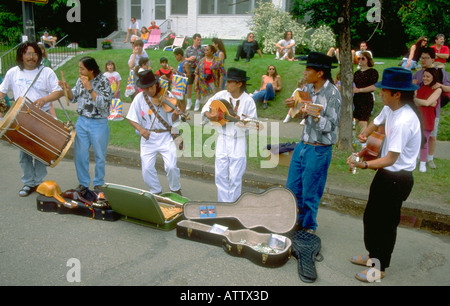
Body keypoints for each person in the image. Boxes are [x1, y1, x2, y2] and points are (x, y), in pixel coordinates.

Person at [347, 67, 423, 282]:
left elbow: (391, 159)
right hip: (386, 174)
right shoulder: (391, 109)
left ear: (396, 93)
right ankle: (372, 257)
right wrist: (365, 133)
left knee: (385, 224)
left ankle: (379, 268)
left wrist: (362, 164)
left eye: (383, 90)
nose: (379, 93)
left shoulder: (404, 120)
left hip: (397, 178)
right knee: (372, 217)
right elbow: (377, 122)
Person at [284, 52, 341, 233]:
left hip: (319, 149)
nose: (305, 72)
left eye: (309, 69)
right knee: (292, 188)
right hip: (303, 145)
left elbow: (331, 127)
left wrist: (316, 116)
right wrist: (293, 106)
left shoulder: (333, 94)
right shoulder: (307, 89)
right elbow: (299, 113)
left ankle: (308, 227)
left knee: (310, 192)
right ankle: (295, 222)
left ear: (320, 73)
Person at [0, 41, 64, 197]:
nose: (31, 57)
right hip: (20, 119)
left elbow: (59, 91)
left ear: (39, 55)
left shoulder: (46, 71)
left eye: (34, 53)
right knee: (24, 155)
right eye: (27, 53)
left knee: (42, 152)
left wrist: (44, 99)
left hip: (42, 116)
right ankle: (28, 183)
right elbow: (2, 93)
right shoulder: (13, 72)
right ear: (21, 55)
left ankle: (39, 182)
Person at [201, 68, 258, 202]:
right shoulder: (221, 96)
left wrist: (244, 123)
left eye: (230, 82)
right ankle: (223, 205)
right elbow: (206, 108)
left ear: (239, 84)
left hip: (238, 140)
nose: (226, 85)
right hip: (222, 138)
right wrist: (209, 115)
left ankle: (233, 207)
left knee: (235, 177)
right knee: (220, 175)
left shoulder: (248, 101)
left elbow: (254, 124)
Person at [58, 57, 112, 194]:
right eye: (79, 68)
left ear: (91, 70)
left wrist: (90, 89)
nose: (79, 71)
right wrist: (68, 90)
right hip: (82, 121)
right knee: (80, 155)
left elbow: (103, 104)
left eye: (82, 68)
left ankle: (99, 183)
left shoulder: (104, 82)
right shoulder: (80, 80)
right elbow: (73, 98)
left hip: (99, 122)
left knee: (100, 155)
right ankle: (83, 183)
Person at [126, 70, 182, 195]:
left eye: (151, 87)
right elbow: (130, 117)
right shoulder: (139, 98)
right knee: (146, 168)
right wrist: (141, 129)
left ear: (156, 84)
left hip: (165, 136)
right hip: (148, 137)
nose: (149, 90)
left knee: (171, 166)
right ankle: (156, 192)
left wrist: (175, 115)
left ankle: (176, 189)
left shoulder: (167, 95)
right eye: (145, 88)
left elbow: (172, 121)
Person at [413, 47, 450, 169]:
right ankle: (418, 157)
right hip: (419, 111)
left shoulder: (440, 73)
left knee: (432, 136)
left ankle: (430, 158)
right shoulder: (418, 74)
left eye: (426, 58)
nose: (423, 60)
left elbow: (448, 88)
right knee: (418, 135)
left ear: (433, 59)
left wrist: (440, 86)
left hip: (434, 110)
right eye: (421, 58)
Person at [414, 68, 441, 172]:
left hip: (428, 118)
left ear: (433, 77)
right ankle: (415, 160)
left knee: (424, 142)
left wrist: (421, 102)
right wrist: (424, 102)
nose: (425, 78)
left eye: (428, 76)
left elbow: (426, 102)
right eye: (424, 76)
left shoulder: (437, 89)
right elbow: (423, 102)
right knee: (415, 140)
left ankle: (423, 163)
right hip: (418, 117)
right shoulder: (419, 87)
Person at [352, 51, 379, 135]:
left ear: (368, 60)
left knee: (363, 122)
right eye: (359, 58)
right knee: (355, 120)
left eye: (363, 58)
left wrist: (359, 90)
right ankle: (355, 140)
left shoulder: (373, 72)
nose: (360, 60)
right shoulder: (356, 73)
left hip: (366, 99)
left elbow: (374, 87)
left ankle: (363, 139)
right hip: (356, 99)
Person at [194, 45, 225, 111]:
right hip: (203, 85)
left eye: (207, 50)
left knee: (212, 104)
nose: (205, 51)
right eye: (205, 50)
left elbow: (222, 74)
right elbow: (197, 73)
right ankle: (201, 119)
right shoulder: (201, 61)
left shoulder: (218, 61)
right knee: (203, 103)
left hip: (213, 84)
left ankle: (211, 119)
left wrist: (220, 87)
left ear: (212, 52)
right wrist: (196, 85)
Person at [184, 33, 205, 111]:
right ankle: (189, 102)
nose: (199, 41)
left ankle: (197, 102)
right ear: (194, 40)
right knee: (189, 85)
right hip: (190, 69)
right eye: (197, 40)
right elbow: (184, 58)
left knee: (198, 87)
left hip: (199, 70)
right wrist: (190, 59)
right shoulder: (188, 49)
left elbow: (205, 59)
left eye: (200, 40)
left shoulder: (203, 49)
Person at [37, 42, 57, 119]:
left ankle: (54, 117)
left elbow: (49, 70)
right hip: (39, 82)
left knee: (49, 101)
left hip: (45, 81)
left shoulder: (45, 61)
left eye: (41, 49)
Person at [173, 48, 191, 112]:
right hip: (178, 83)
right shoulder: (180, 63)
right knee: (177, 100)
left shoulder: (185, 63)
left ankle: (183, 113)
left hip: (182, 84)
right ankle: (180, 112)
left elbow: (188, 75)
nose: (176, 58)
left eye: (176, 56)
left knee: (182, 100)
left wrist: (178, 72)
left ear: (180, 55)